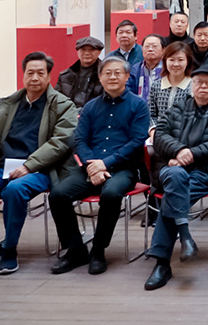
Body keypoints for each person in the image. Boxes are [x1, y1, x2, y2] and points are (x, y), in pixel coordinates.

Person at [0, 53, 78, 275]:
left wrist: (29, 166)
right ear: (23, 76)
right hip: (3, 167)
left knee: (14, 190)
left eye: (40, 73)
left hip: (40, 168)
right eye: (30, 73)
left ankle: (9, 249)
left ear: (49, 76)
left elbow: (61, 142)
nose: (35, 78)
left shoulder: (62, 105)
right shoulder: (10, 104)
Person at [142, 64, 208, 290]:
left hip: (207, 173)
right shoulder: (178, 107)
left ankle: (162, 263)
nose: (203, 86)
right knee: (175, 177)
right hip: (173, 167)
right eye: (198, 82)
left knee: (173, 194)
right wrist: (179, 151)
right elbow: (160, 135)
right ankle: (184, 236)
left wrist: (191, 155)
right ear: (191, 85)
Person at [49, 57, 150, 275]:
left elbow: (136, 142)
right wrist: (92, 166)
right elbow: (79, 141)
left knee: (111, 194)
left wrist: (105, 163)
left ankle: (98, 249)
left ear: (127, 77)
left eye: (117, 73)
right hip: (90, 167)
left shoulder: (139, 105)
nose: (112, 77)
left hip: (123, 168)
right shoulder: (90, 107)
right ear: (100, 77)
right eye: (107, 73)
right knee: (58, 194)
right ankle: (75, 250)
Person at [148, 42, 194, 132]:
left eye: (180, 60)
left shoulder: (193, 87)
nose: (176, 64)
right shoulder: (156, 86)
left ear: (188, 61)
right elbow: (151, 114)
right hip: (159, 134)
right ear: (165, 61)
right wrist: (153, 131)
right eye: (172, 60)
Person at [56, 36, 105, 109]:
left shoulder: (106, 74)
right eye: (83, 49)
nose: (87, 53)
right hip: (70, 113)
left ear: (99, 52)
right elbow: (57, 100)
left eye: (91, 50)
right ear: (78, 51)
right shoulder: (65, 76)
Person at [126, 35, 165, 102]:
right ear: (142, 49)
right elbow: (128, 89)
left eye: (154, 46)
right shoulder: (135, 69)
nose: (150, 49)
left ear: (163, 50)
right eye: (147, 46)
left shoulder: (168, 69)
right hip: (140, 106)